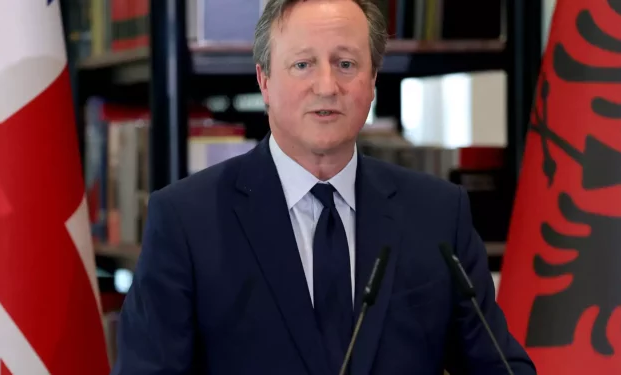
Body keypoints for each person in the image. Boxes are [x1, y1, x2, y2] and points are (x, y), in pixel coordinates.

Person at [111, 0, 537, 374]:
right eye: (303, 65)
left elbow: (498, 365)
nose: (327, 86)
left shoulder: (439, 214)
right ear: (264, 82)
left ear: (372, 82)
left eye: (346, 64)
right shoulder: (186, 221)